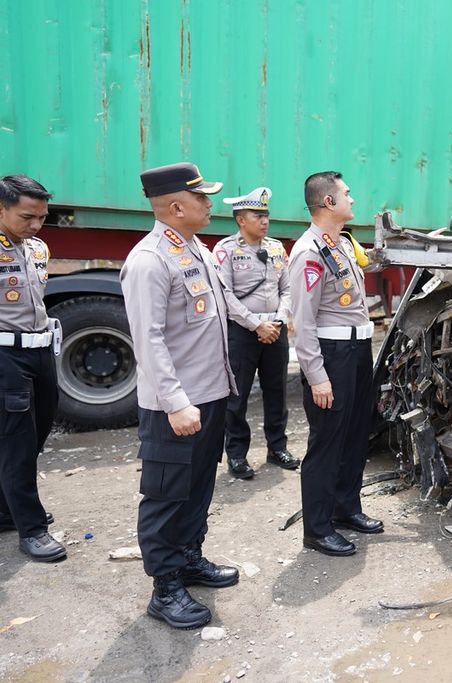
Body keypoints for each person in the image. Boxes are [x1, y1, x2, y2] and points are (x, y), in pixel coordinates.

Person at [120, 162, 240, 630]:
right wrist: (176, 402)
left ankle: (189, 557)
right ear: (175, 206)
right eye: (202, 198)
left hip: (207, 396)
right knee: (166, 494)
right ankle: (165, 586)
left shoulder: (196, 249)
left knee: (197, 488)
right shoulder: (150, 260)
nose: (210, 205)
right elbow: (148, 341)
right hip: (176, 406)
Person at [286, 171, 382, 557]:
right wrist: (317, 377)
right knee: (326, 443)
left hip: (358, 351)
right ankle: (318, 528)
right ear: (328, 202)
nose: (352, 199)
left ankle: (346, 509)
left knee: (356, 435)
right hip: (332, 356)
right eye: (347, 193)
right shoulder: (308, 252)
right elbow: (303, 322)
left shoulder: (340, 243)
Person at [0, 175, 64, 562]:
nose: (36, 225)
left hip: (41, 350)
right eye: (27, 216)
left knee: (38, 432)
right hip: (6, 356)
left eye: (42, 216)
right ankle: (32, 528)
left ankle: (7, 509)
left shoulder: (38, 248)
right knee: (17, 443)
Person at [213, 187, 297, 479]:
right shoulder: (225, 250)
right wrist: (255, 324)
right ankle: (237, 455)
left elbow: (286, 289)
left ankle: (277, 448)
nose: (264, 221)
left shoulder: (275, 248)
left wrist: (278, 320)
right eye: (257, 215)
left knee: (278, 392)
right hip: (243, 332)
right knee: (237, 397)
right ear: (240, 219)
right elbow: (225, 295)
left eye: (266, 215)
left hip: (275, 329)